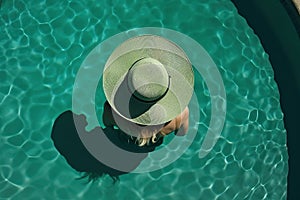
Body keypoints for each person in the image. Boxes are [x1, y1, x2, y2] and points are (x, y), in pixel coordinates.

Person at [102, 35, 194, 148]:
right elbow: (181, 133)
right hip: (156, 139)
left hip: (126, 138)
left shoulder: (112, 111)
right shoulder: (180, 115)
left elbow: (108, 125)